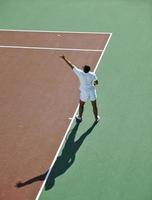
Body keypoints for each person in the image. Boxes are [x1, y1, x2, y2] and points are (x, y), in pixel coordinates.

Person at [61, 55, 100, 123]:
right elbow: (96, 82)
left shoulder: (80, 73)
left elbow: (71, 65)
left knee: (82, 104)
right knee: (94, 105)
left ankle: (79, 117)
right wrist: (93, 84)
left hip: (84, 92)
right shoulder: (93, 74)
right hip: (92, 91)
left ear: (84, 69)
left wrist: (64, 59)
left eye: (83, 67)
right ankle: (96, 118)